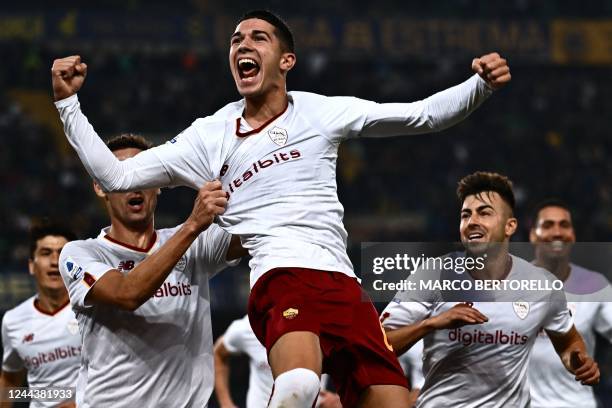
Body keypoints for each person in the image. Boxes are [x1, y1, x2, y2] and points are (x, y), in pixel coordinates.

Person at [51, 9, 511, 407]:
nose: (242, 45)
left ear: (286, 60)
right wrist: (68, 103)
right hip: (281, 278)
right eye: (235, 40)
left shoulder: (320, 112)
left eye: (257, 38)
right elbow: (117, 176)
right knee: (298, 385)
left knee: (392, 400)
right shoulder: (208, 135)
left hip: (345, 284)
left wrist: (480, 86)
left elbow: (422, 115)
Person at [380, 172, 600, 407]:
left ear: (510, 226)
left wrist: (578, 361)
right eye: (466, 215)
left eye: (484, 213)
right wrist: (431, 323)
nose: (472, 221)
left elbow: (568, 341)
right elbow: (379, 343)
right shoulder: (433, 274)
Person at [57, 134, 244, 407]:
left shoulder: (198, 245)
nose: (133, 184)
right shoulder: (81, 253)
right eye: (120, 174)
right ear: (100, 187)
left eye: (142, 173)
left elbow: (261, 227)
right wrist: (191, 225)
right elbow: (127, 294)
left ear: (159, 183)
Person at [528, 199, 612, 408]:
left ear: (572, 235)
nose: (557, 232)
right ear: (533, 235)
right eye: (547, 225)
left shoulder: (595, 285)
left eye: (564, 225)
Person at [1, 220, 79, 408]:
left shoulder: (97, 310)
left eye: (62, 254)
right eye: (46, 253)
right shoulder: (13, 321)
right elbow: (10, 382)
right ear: (31, 265)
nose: (54, 261)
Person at [214, 315, 342, 408]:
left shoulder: (323, 324)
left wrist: (340, 400)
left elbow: (356, 361)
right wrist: (226, 403)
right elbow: (218, 353)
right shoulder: (250, 326)